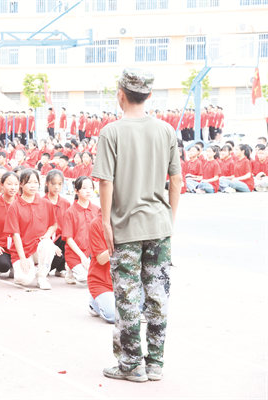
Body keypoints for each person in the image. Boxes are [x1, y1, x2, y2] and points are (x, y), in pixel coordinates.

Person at [93, 68, 181, 382]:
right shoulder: (166, 130)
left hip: (126, 227)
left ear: (121, 95)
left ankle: (131, 365)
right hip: (159, 225)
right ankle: (155, 363)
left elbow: (106, 181)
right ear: (149, 95)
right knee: (157, 295)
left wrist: (106, 221)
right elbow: (176, 181)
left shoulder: (111, 132)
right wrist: (169, 219)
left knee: (128, 296)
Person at [3, 169, 60, 290]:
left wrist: (47, 235)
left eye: (35, 182)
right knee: (25, 280)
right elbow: (16, 235)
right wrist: (23, 258)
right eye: (29, 182)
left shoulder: (46, 203)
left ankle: (42, 276)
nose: (33, 185)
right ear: (21, 184)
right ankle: (26, 269)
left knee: (48, 244)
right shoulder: (15, 206)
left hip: (38, 247)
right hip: (22, 250)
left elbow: (53, 225)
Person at [62, 176, 99, 285]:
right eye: (84, 188)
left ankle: (74, 270)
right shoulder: (70, 212)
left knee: (99, 278)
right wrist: (82, 257)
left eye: (91, 188)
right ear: (76, 191)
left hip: (92, 253)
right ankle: (71, 269)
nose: (88, 191)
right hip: (75, 254)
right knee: (85, 278)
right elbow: (68, 239)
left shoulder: (97, 210)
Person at [43, 170, 71, 278]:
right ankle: (44, 267)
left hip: (60, 240)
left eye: (59, 184)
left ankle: (60, 268)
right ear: (47, 183)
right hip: (46, 239)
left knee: (67, 238)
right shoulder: (42, 202)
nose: (56, 187)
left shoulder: (66, 203)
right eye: (53, 184)